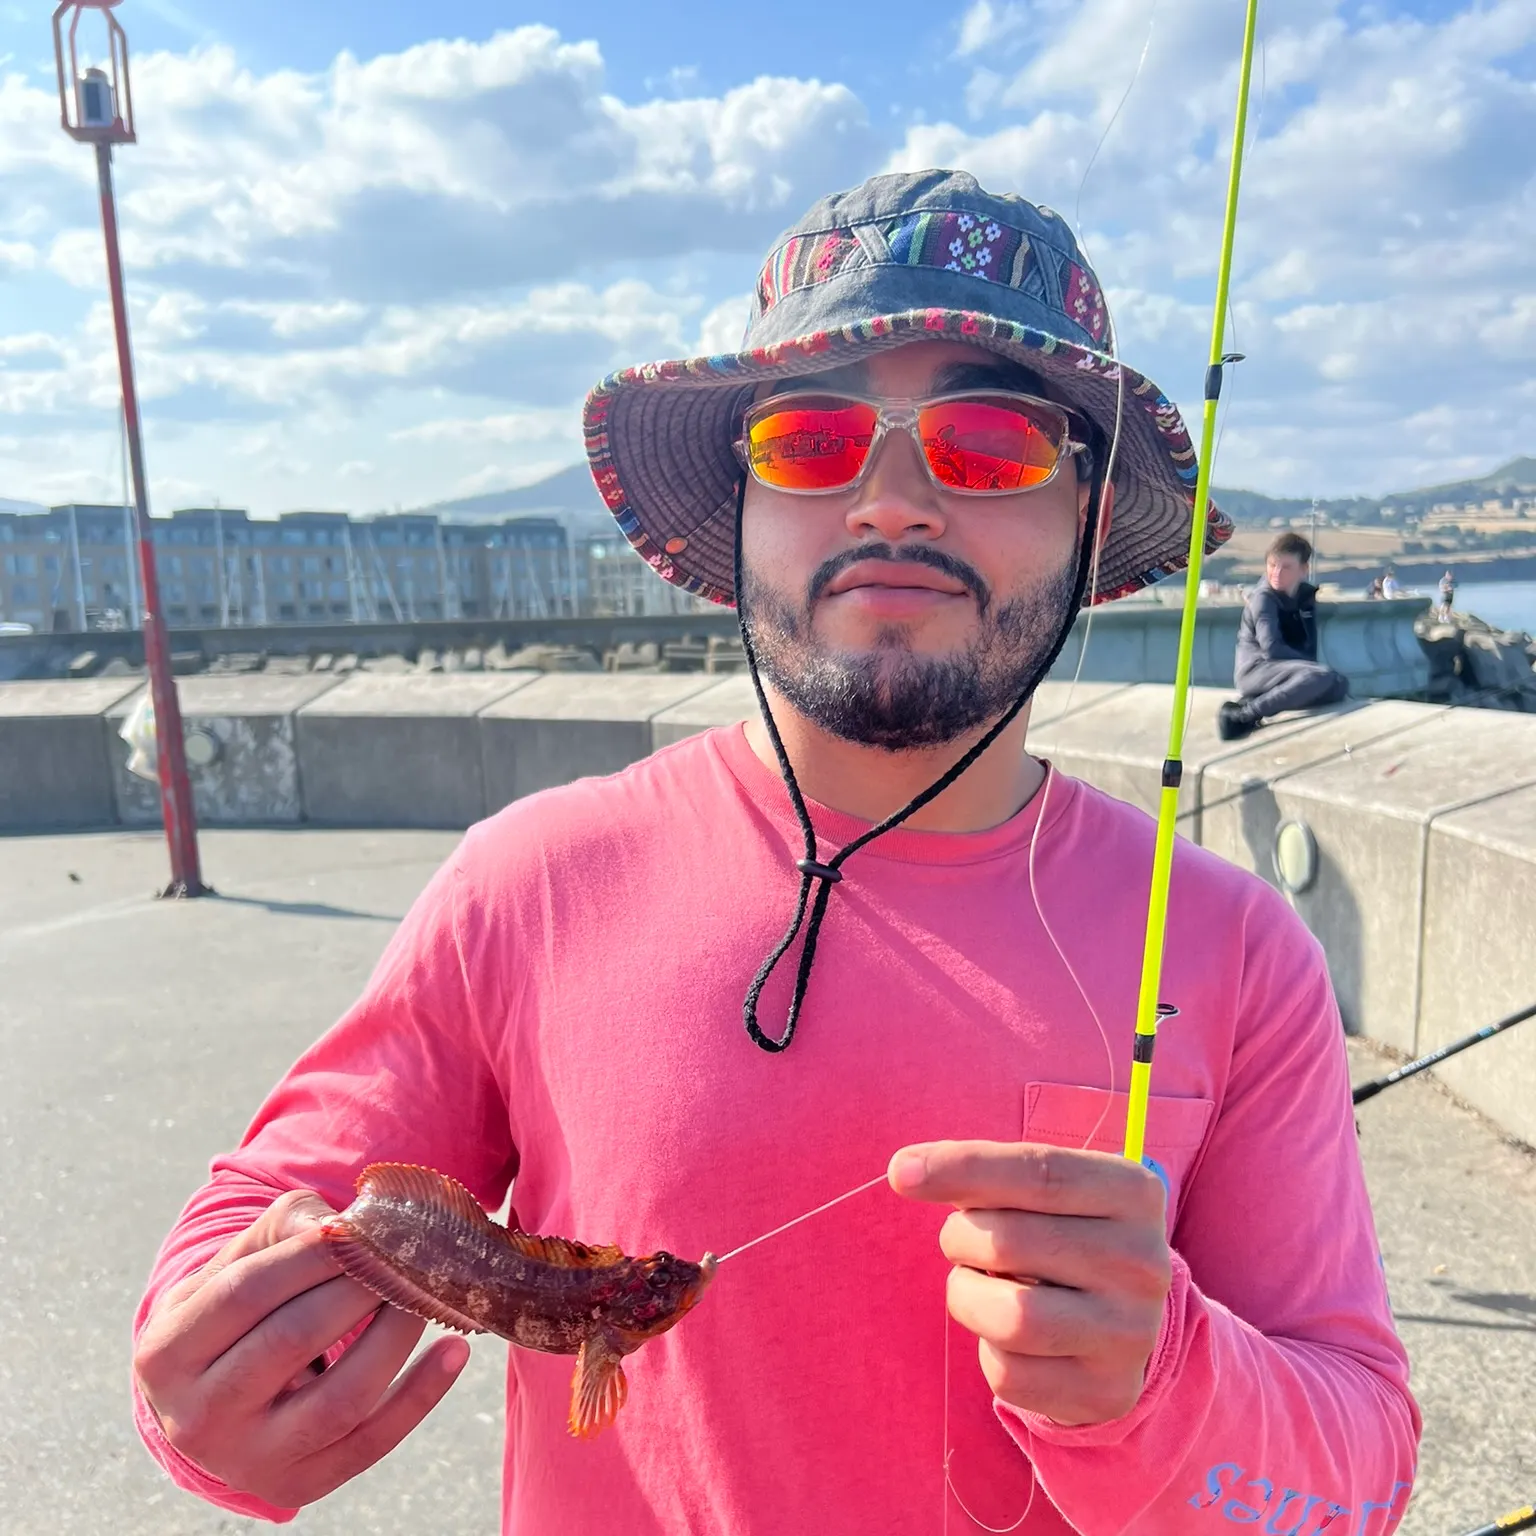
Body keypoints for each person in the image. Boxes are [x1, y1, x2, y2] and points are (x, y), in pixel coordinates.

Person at [131, 171, 1418, 1535]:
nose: (893, 502)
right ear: (743, 504)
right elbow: (261, 1222)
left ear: (1089, 513)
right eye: (812, 440)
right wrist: (201, 1397)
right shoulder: (532, 880)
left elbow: (1355, 1477)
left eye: (990, 444)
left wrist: (1163, 1381)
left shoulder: (1235, 953)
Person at [1218, 532, 1350, 741]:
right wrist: (1312, 671)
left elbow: (1309, 649)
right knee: (1320, 677)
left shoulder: (1305, 598)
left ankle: (1275, 696)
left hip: (1286, 670)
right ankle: (1245, 715)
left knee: (1339, 685)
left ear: (1303, 569)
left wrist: (1314, 672)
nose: (1276, 573)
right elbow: (1272, 649)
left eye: (1286, 567)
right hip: (1257, 670)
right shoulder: (1263, 599)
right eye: (1272, 565)